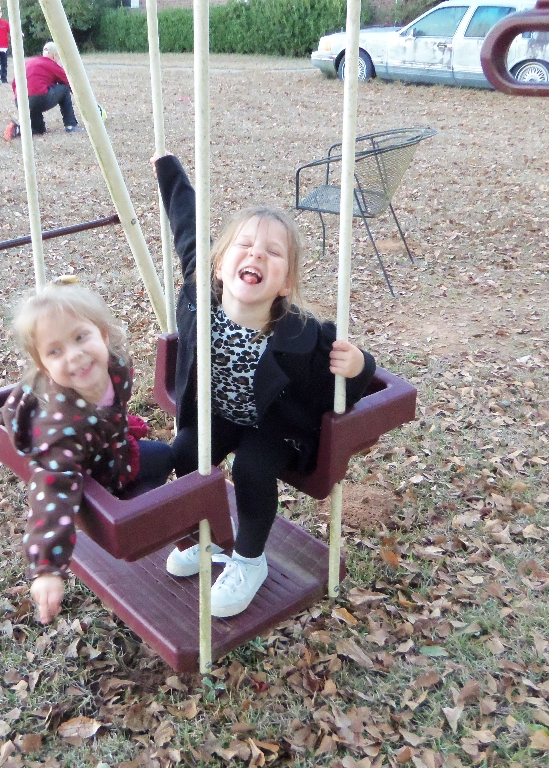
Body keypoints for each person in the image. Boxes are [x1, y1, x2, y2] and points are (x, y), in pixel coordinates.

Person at [152, 154, 377, 618]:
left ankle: (249, 560)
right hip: (219, 413)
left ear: (285, 283)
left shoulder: (303, 336)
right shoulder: (199, 296)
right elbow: (186, 225)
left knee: (253, 468)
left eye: (273, 253)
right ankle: (208, 537)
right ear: (219, 265)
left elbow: (335, 392)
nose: (256, 254)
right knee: (186, 451)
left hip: (274, 425)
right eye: (244, 245)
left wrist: (359, 367)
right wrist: (168, 170)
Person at [0, 279, 173, 623]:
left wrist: (115, 427)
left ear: (104, 335)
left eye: (80, 337)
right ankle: (142, 511)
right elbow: (51, 488)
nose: (75, 355)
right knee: (156, 505)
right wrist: (47, 568)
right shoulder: (62, 429)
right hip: (100, 481)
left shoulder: (116, 366)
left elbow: (113, 409)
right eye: (55, 351)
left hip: (112, 452)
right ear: (44, 367)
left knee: (167, 456)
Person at [5, 41, 84, 139]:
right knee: (64, 89)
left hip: (20, 101)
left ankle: (18, 129)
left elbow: (14, 83)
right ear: (55, 56)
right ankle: (70, 125)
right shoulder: (52, 64)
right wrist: (84, 100)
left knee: (38, 130)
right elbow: (69, 83)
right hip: (38, 98)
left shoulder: (28, 62)